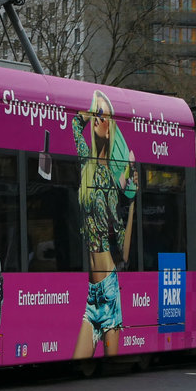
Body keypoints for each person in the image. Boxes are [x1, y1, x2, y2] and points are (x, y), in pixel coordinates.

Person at [72, 90, 136, 359]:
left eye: (103, 115)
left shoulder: (113, 179)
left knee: (112, 372)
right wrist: (89, 112)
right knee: (78, 361)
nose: (97, 118)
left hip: (109, 289)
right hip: (92, 292)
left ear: (111, 129)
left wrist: (131, 199)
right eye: (96, 114)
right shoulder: (86, 163)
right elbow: (76, 126)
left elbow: (123, 245)